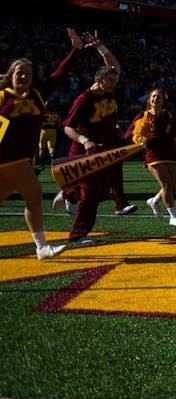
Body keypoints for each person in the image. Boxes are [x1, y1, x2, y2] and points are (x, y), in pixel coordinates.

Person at [0, 28, 89, 259]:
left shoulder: (38, 94)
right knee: (35, 195)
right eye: (20, 73)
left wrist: (76, 50)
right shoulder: (2, 97)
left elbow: (60, 73)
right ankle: (41, 247)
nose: (24, 76)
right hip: (8, 156)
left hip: (24, 158)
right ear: (10, 74)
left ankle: (41, 247)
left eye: (28, 73)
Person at [61, 39, 132, 245]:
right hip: (86, 151)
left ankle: (68, 194)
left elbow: (115, 67)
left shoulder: (108, 90)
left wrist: (102, 47)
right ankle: (78, 233)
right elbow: (67, 127)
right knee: (91, 192)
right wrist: (85, 140)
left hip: (106, 148)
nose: (114, 84)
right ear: (98, 79)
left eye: (114, 81)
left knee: (101, 193)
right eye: (110, 81)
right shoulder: (84, 99)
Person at [129, 88, 176, 226]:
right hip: (154, 154)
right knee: (166, 185)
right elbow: (129, 133)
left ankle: (154, 200)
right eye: (153, 96)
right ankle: (173, 216)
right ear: (149, 100)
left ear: (163, 100)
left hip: (170, 153)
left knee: (173, 188)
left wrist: (174, 133)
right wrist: (141, 140)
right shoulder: (143, 116)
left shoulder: (168, 115)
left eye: (159, 97)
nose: (156, 99)